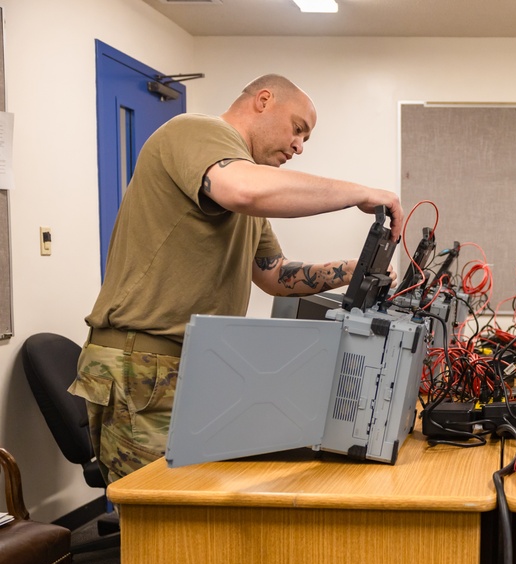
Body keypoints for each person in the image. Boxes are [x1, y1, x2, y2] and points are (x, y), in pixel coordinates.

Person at [69, 74, 402, 483]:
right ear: (263, 100)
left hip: (195, 362)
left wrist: (354, 270)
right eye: (297, 129)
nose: (298, 146)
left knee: (201, 518)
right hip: (144, 363)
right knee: (163, 524)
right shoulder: (196, 131)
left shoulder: (247, 191)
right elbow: (242, 189)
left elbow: (275, 274)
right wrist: (361, 193)